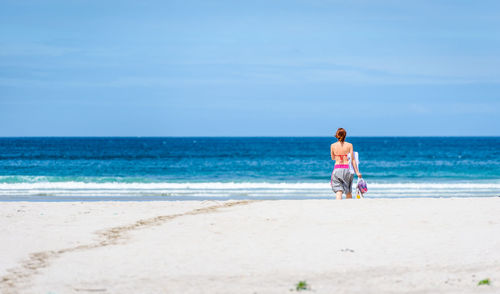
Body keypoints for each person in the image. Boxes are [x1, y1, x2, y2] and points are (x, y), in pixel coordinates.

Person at [330, 128, 362, 200]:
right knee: (348, 191)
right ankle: (349, 207)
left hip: (337, 169)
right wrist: (357, 172)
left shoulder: (332, 145)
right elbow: (353, 160)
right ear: (345, 135)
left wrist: (339, 156)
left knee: (338, 190)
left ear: (337, 135)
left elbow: (332, 158)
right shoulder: (349, 145)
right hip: (348, 169)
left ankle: (339, 206)